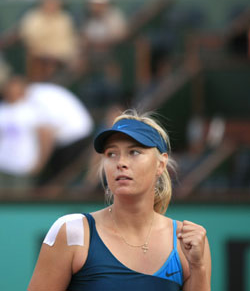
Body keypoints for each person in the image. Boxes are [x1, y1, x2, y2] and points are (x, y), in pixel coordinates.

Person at [28, 109, 211, 290]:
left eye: (134, 152)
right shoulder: (72, 232)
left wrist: (198, 267)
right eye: (111, 154)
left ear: (161, 164)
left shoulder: (186, 241)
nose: (120, 162)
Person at [19, 0, 79, 81]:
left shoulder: (65, 18)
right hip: (41, 55)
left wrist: (68, 55)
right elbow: (30, 41)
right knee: (46, 64)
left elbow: (71, 41)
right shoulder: (33, 18)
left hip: (63, 56)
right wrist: (48, 53)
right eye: (49, 2)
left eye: (55, 2)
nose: (52, 5)